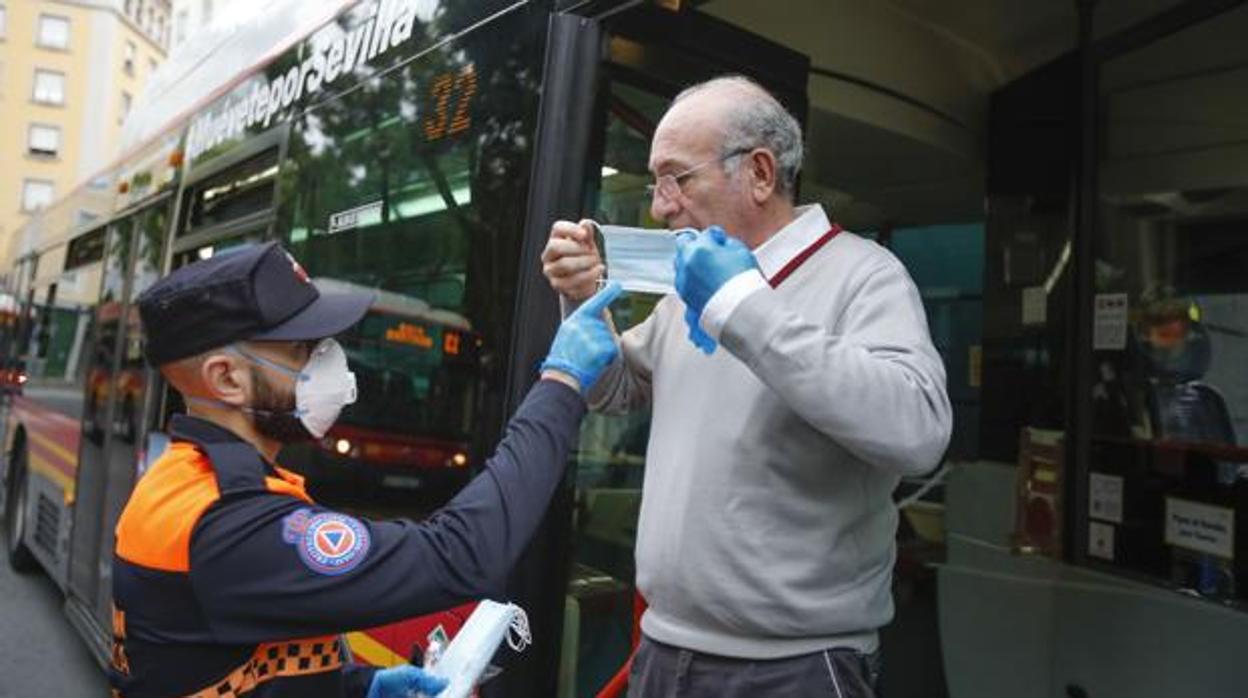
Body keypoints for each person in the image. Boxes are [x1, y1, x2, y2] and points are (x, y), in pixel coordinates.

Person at [542, 76, 952, 696]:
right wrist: (582, 305)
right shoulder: (690, 289)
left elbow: (919, 432)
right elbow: (618, 388)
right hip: (663, 648)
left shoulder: (863, 274)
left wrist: (741, 306)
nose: (660, 206)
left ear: (760, 173)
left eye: (677, 179)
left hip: (795, 668)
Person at [109, 241, 623, 698]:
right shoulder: (227, 523)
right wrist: (562, 384)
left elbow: (232, 661)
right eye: (301, 349)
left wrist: (356, 686)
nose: (328, 360)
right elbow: (460, 556)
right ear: (227, 380)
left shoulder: (187, 482)